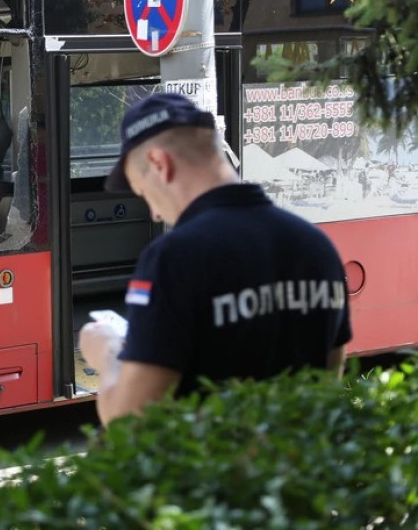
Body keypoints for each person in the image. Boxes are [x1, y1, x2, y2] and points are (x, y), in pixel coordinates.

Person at [79, 93, 352, 426]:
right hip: (303, 471)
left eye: (143, 192)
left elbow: (132, 423)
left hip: (215, 475)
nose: (154, 211)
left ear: (160, 164)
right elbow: (328, 383)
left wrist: (107, 353)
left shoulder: (174, 257)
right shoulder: (316, 245)